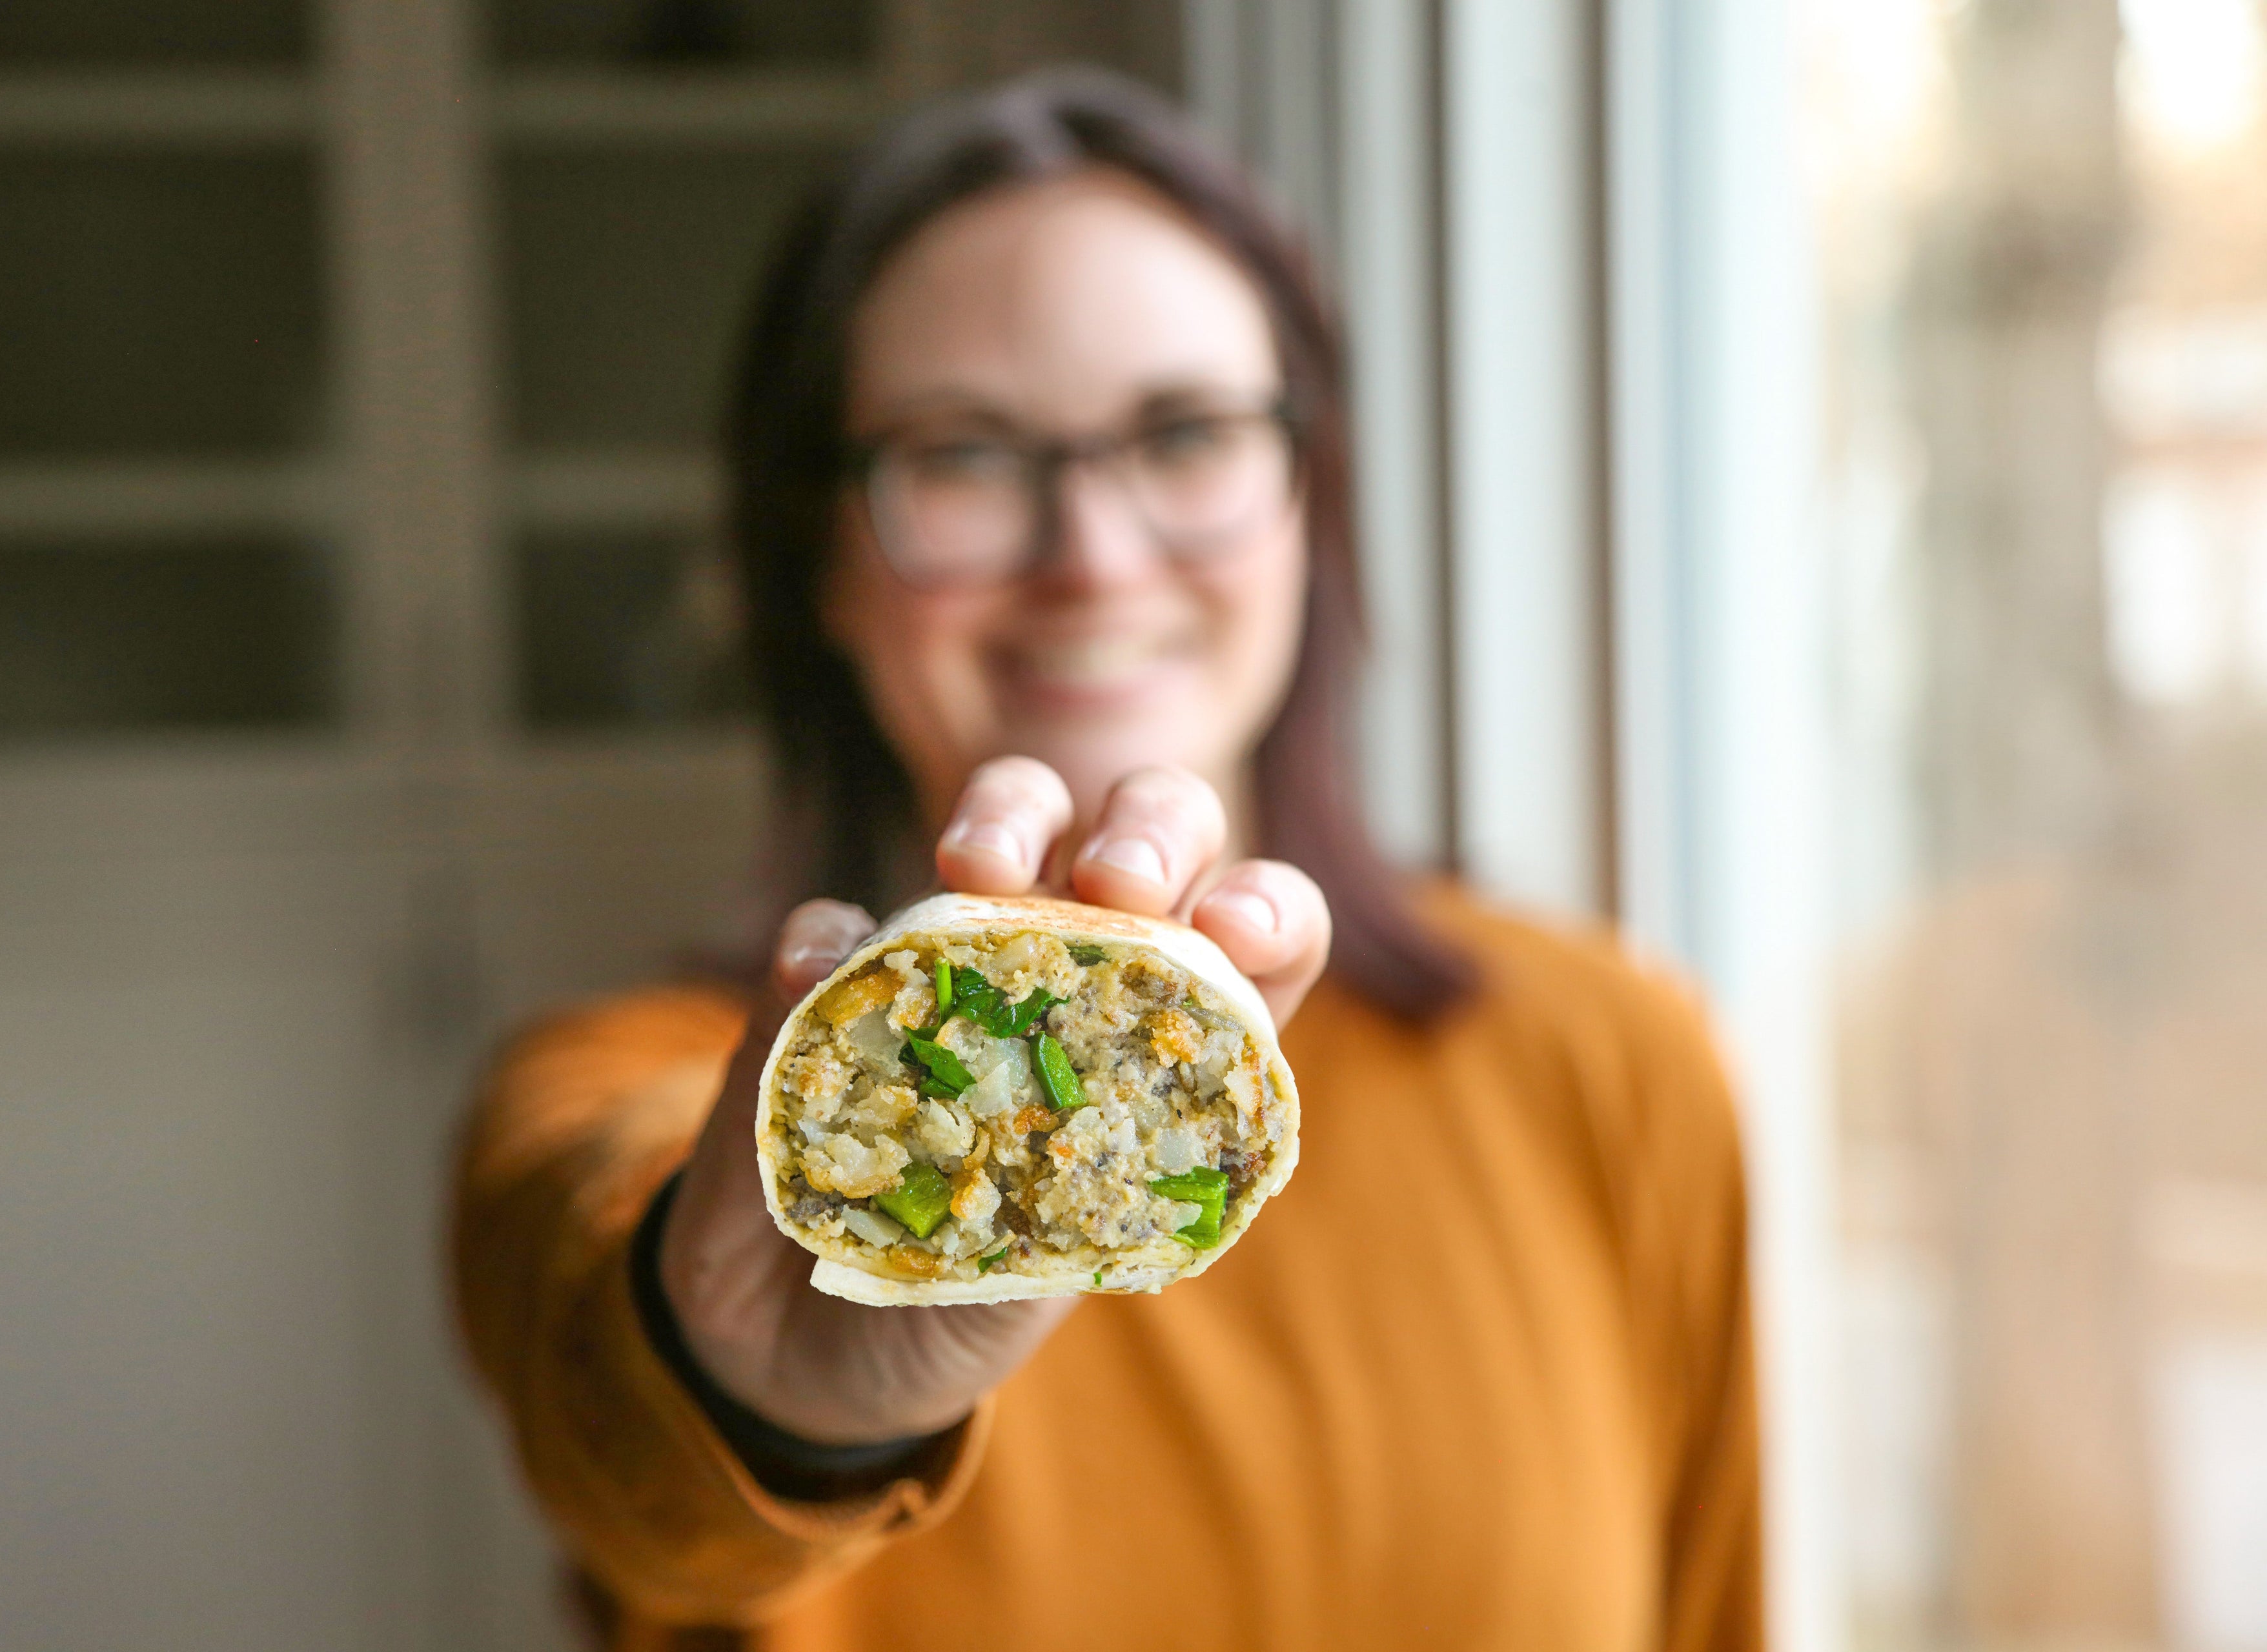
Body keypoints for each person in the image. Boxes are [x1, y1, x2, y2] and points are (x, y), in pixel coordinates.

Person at [451, 68, 1761, 1652]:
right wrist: (780, 1399)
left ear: (1308, 499)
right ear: (820, 561)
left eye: (1186, 434)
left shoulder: (1611, 1058)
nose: (1094, 556)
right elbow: (615, 1391)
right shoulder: (611, 1092)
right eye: (963, 456)